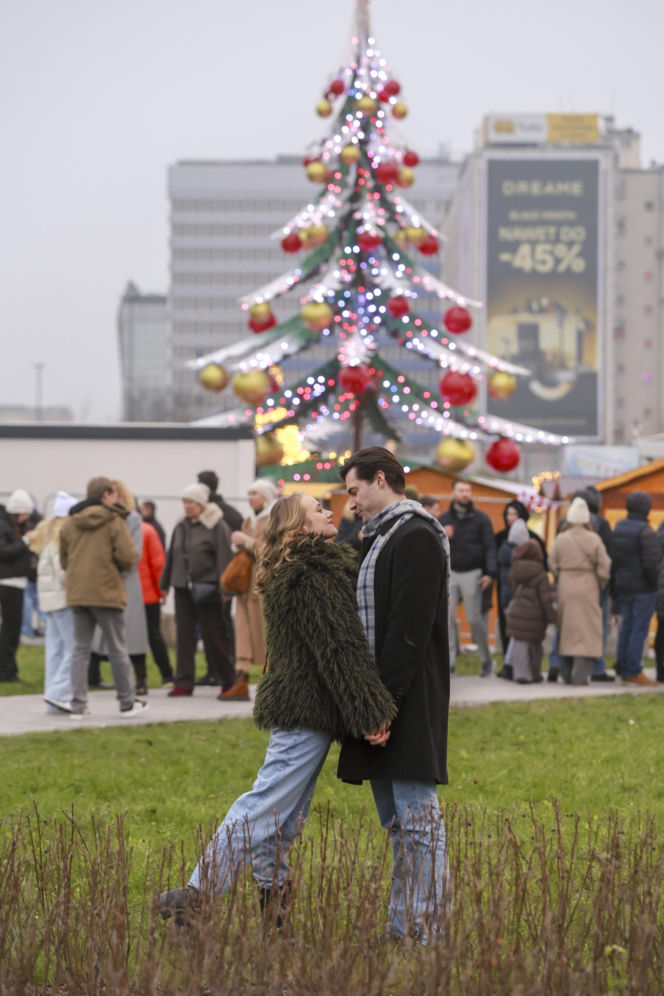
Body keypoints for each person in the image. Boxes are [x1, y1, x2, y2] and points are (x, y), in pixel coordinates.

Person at [159, 492, 396, 926]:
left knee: (281, 819)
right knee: (267, 804)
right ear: (300, 526)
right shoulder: (311, 573)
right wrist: (369, 711)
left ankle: (276, 921)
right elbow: (339, 648)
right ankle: (196, 893)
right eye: (319, 509)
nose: (329, 511)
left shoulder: (308, 566)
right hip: (304, 706)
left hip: (304, 705)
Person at [340, 446, 450, 944]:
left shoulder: (417, 535)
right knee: (399, 824)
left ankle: (425, 930)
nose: (351, 503)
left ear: (380, 480)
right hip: (382, 700)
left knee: (418, 820)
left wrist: (381, 704)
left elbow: (409, 628)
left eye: (354, 490)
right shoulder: (380, 536)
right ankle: (404, 925)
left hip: (405, 697)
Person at [55, 477, 148, 717]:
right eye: (114, 493)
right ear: (107, 494)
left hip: (78, 593)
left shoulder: (70, 522)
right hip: (107, 592)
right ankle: (127, 702)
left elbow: (64, 558)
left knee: (79, 650)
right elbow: (129, 557)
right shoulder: (114, 521)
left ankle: (78, 705)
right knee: (117, 647)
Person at [161, 482, 234, 696]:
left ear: (202, 504)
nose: (187, 506)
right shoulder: (180, 526)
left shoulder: (216, 526)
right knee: (183, 636)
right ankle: (183, 682)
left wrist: (226, 588)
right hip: (182, 587)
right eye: (185, 502)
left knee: (214, 636)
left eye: (192, 502)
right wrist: (164, 585)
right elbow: (171, 556)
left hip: (208, 588)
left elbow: (224, 558)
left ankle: (229, 680)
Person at [219, 478, 277, 702]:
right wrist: (239, 542)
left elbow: (273, 552)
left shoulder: (273, 518)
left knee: (266, 634)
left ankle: (273, 684)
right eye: (249, 493)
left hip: (264, 586)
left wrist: (248, 542)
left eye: (255, 493)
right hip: (245, 586)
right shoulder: (248, 519)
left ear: (266, 496)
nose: (250, 497)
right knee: (242, 632)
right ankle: (241, 680)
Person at [91, 482, 150, 695]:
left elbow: (134, 553)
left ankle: (140, 679)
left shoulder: (132, 518)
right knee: (98, 631)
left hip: (126, 582)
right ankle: (94, 675)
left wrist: (115, 568)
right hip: (105, 581)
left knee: (132, 631)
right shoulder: (102, 518)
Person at [549, 497, 611, 686]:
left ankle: (566, 673)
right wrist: (599, 582)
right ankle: (580, 676)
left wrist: (561, 577)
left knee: (567, 629)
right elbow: (605, 565)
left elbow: (552, 563)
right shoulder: (594, 539)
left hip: (566, 586)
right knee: (586, 630)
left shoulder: (560, 538)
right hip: (588, 585)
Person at [439, 479, 496, 675]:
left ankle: (486, 659)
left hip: (473, 572)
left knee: (474, 619)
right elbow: (436, 546)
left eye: (468, 490)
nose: (465, 493)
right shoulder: (444, 518)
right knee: (448, 618)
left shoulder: (481, 518)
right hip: (451, 573)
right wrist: (443, 536)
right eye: (461, 490)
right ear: (453, 493)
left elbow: (490, 546)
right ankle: (450, 662)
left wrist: (490, 573)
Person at [29, 492, 77, 712]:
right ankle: (58, 694)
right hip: (63, 601)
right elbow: (63, 573)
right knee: (75, 649)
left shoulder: (47, 539)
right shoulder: (62, 540)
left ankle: (53, 698)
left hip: (49, 603)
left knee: (55, 650)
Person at [611, 491, 661, 687]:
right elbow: (652, 564)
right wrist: (653, 585)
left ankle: (623, 666)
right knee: (638, 630)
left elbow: (614, 559)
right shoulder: (645, 531)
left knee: (626, 629)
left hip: (623, 587)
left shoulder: (619, 527)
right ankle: (633, 671)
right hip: (642, 589)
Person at [196, 470, 241, 685]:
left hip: (209, 577)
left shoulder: (208, 514)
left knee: (211, 627)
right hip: (228, 576)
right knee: (223, 625)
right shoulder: (232, 513)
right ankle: (226, 668)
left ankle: (218, 671)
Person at [494, 500, 547, 656]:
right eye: (508, 514)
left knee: (524, 626)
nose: (511, 518)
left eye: (514, 514)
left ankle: (520, 662)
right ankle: (507, 661)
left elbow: (543, 563)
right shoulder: (499, 537)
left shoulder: (534, 539)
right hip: (504, 587)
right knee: (505, 624)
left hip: (526, 589)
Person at [505, 539, 557, 684]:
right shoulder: (540, 572)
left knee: (519, 644)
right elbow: (546, 598)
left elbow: (511, 586)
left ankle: (521, 674)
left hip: (517, 612)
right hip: (535, 616)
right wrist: (551, 616)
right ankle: (534, 673)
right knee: (535, 646)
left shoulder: (515, 569)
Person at [0, 489, 34, 682]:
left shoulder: (13, 526)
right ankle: (5, 672)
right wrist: (25, 541)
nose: (25, 518)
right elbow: (3, 552)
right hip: (7, 583)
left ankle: (9, 669)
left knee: (13, 630)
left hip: (17, 582)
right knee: (9, 630)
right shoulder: (3, 526)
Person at [138, 516, 174, 687]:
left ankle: (140, 679)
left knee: (131, 638)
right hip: (148, 594)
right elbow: (158, 563)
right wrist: (162, 591)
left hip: (126, 597)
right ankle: (167, 675)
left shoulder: (116, 528)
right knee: (155, 636)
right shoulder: (147, 530)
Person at [496, 518, 530, 679]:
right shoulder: (522, 557)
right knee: (517, 635)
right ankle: (509, 666)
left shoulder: (503, 552)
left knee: (512, 633)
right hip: (517, 599)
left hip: (505, 598)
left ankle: (509, 665)